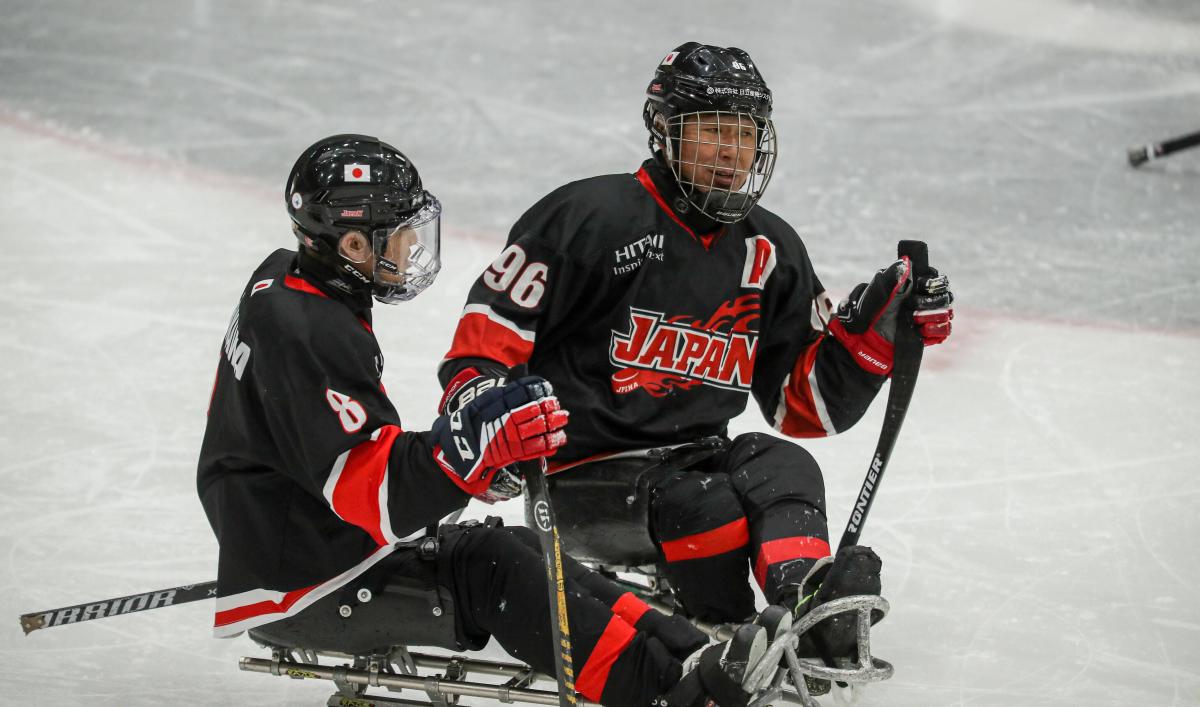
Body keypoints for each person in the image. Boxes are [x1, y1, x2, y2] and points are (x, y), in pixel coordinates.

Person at [196, 133, 778, 707]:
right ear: (351, 246)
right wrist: (464, 449)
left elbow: (333, 451)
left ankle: (689, 651)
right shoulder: (308, 331)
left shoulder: (291, 283)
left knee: (520, 545)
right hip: (307, 577)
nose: (410, 246)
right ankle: (663, 690)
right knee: (495, 570)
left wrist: (474, 458)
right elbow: (372, 497)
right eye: (397, 233)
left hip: (305, 537)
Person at [438, 43, 954, 666]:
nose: (732, 152)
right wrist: (489, 419)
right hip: (581, 479)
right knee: (704, 503)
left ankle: (801, 604)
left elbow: (803, 407)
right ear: (663, 132)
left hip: (695, 460)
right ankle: (730, 628)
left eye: (745, 133)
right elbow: (486, 339)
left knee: (783, 464)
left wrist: (873, 339)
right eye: (710, 131)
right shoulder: (587, 217)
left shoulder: (771, 248)